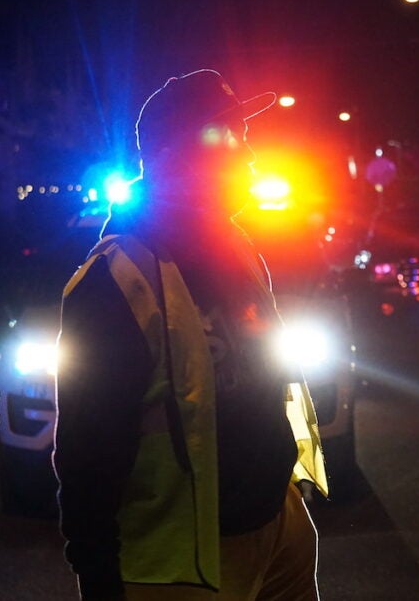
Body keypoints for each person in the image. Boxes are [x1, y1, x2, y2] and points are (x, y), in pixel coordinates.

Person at [53, 69, 328, 601]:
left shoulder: (235, 246)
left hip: (276, 523)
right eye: (231, 138)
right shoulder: (115, 281)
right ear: (182, 157)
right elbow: (86, 446)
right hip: (186, 558)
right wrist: (96, 572)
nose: (248, 157)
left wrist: (287, 504)